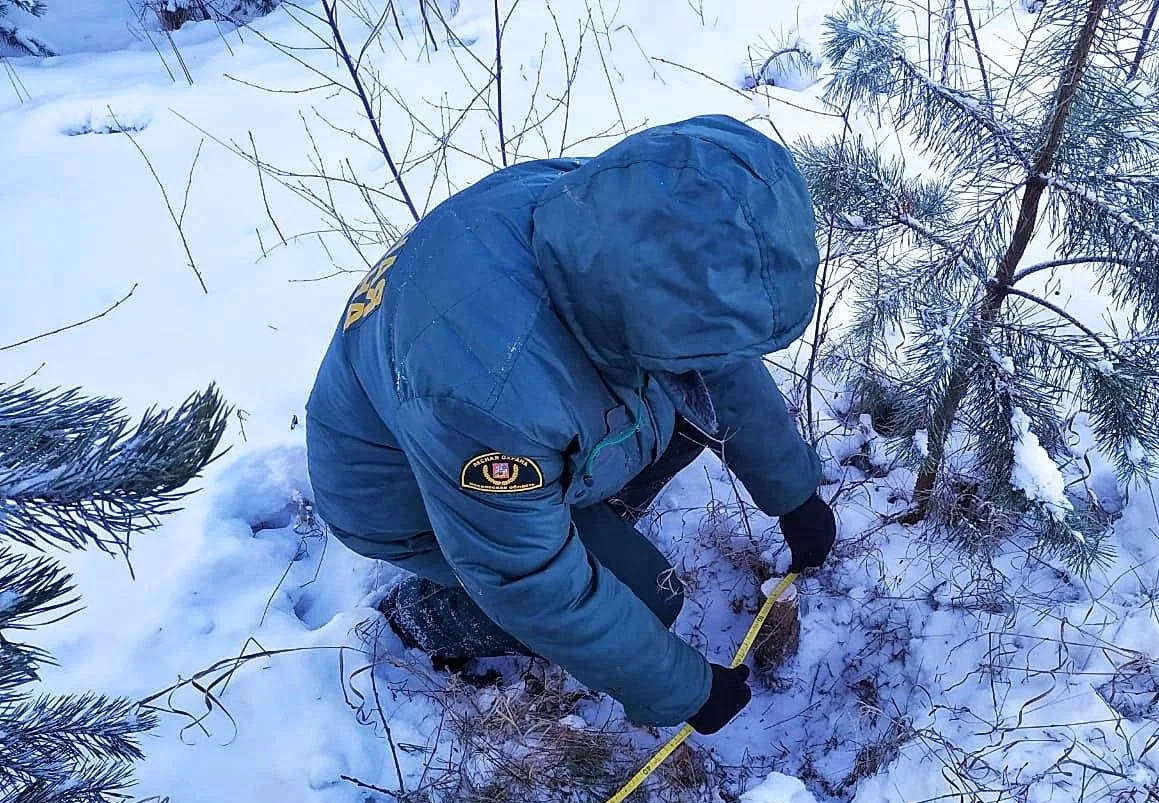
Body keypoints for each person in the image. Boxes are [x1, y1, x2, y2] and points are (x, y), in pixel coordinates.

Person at [305, 114, 836, 736]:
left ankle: (583, 519)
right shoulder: (488, 397)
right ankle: (427, 615)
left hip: (483, 403)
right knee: (648, 596)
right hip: (393, 492)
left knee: (687, 416)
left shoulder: (604, 210)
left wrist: (792, 493)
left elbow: (716, 356)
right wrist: (681, 689)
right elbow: (529, 581)